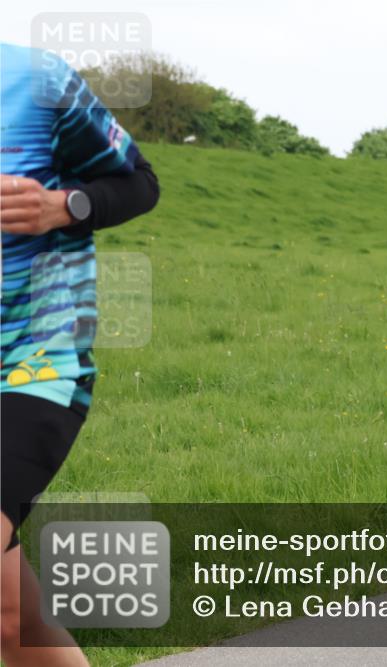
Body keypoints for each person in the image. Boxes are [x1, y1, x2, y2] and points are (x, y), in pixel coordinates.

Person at [1, 42, 159, 666]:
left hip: (34, 360)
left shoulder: (36, 80)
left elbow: (138, 183)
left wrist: (63, 206)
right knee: (11, 621)